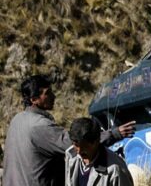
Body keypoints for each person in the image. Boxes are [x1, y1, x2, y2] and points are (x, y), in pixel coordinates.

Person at [2, 75, 136, 186]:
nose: (53, 96)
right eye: (47, 93)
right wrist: (114, 133)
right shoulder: (39, 126)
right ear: (34, 100)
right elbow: (77, 144)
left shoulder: (17, 119)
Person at [65, 118, 134, 186]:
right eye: (76, 145)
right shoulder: (71, 156)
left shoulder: (115, 170)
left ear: (97, 141)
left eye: (85, 146)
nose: (79, 151)